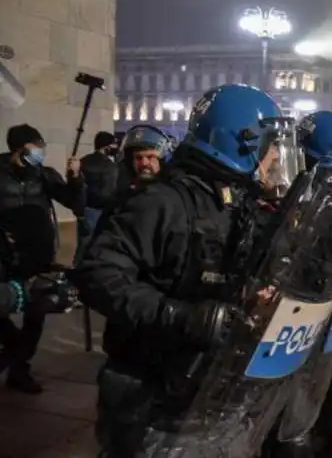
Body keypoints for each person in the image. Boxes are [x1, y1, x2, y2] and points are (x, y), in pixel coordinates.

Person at [72, 84, 289, 456]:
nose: (274, 157)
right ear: (243, 142)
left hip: (204, 384)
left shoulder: (235, 203)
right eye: (270, 145)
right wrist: (182, 316)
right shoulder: (162, 202)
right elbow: (98, 275)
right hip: (149, 390)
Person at [0, 123, 84, 394]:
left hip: (37, 257)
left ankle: (19, 369)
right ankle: (13, 348)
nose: (40, 154)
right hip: (4, 256)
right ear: (19, 149)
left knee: (36, 314)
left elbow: (77, 204)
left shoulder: (44, 175)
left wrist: (75, 179)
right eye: (35, 148)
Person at [75, 131, 118, 261]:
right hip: (102, 210)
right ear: (106, 147)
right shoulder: (110, 166)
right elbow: (109, 191)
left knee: (83, 244)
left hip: (85, 209)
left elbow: (78, 187)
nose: (116, 148)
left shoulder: (83, 161)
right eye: (114, 145)